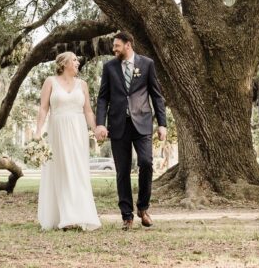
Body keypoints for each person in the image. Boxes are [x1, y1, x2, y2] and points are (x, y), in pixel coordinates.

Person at [95, 31, 167, 230]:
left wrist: (162, 124)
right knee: (122, 171)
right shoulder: (109, 67)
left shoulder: (147, 64)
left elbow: (156, 95)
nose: (114, 49)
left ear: (128, 45)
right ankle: (126, 215)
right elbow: (103, 97)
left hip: (142, 123)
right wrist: (100, 123)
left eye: (117, 45)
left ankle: (143, 208)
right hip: (118, 125)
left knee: (146, 163)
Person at [35, 51, 102, 231]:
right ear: (64, 63)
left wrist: (95, 129)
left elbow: (88, 110)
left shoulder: (83, 85)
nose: (77, 62)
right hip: (57, 130)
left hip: (78, 131)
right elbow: (43, 109)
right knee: (62, 171)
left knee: (77, 171)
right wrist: (38, 131)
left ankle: (79, 215)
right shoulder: (50, 82)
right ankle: (65, 216)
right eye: (74, 60)